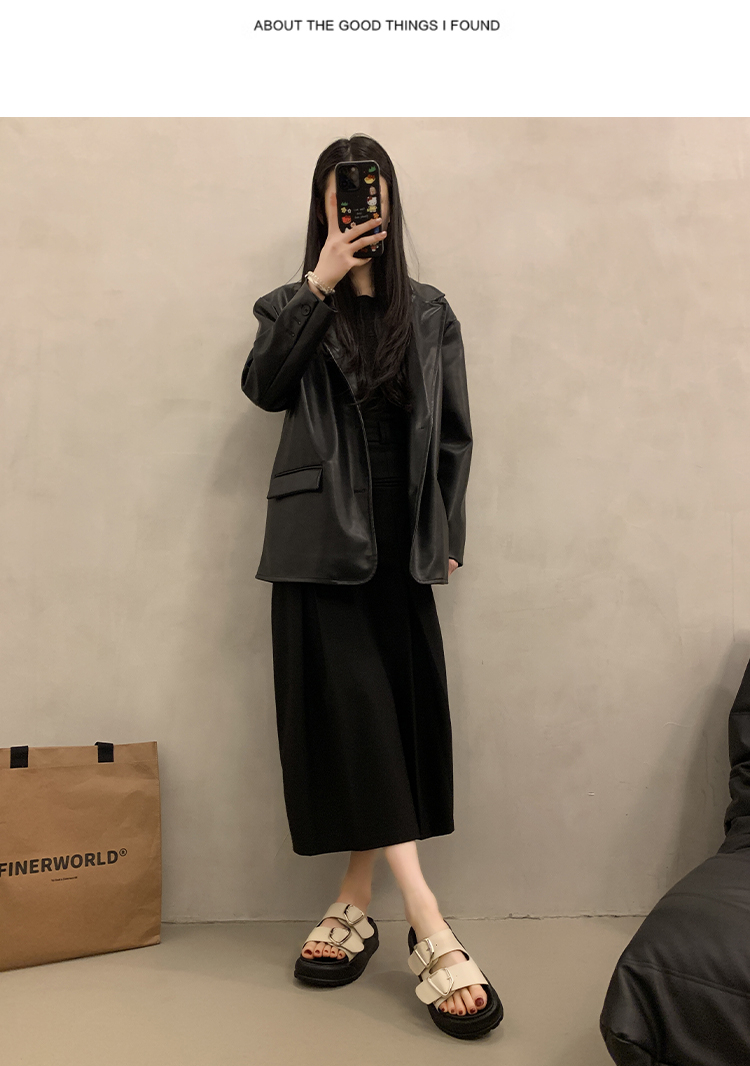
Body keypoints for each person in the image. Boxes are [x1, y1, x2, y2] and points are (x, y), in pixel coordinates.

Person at [241, 134, 502, 1038]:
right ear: (322, 204)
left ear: (391, 200)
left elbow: (455, 435)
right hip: (319, 544)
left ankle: (354, 898)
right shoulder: (288, 305)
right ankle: (427, 920)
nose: (359, 203)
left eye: (373, 188)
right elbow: (264, 387)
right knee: (359, 714)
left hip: (402, 543)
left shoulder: (428, 312)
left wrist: (447, 531)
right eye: (343, 191)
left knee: (382, 722)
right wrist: (317, 286)